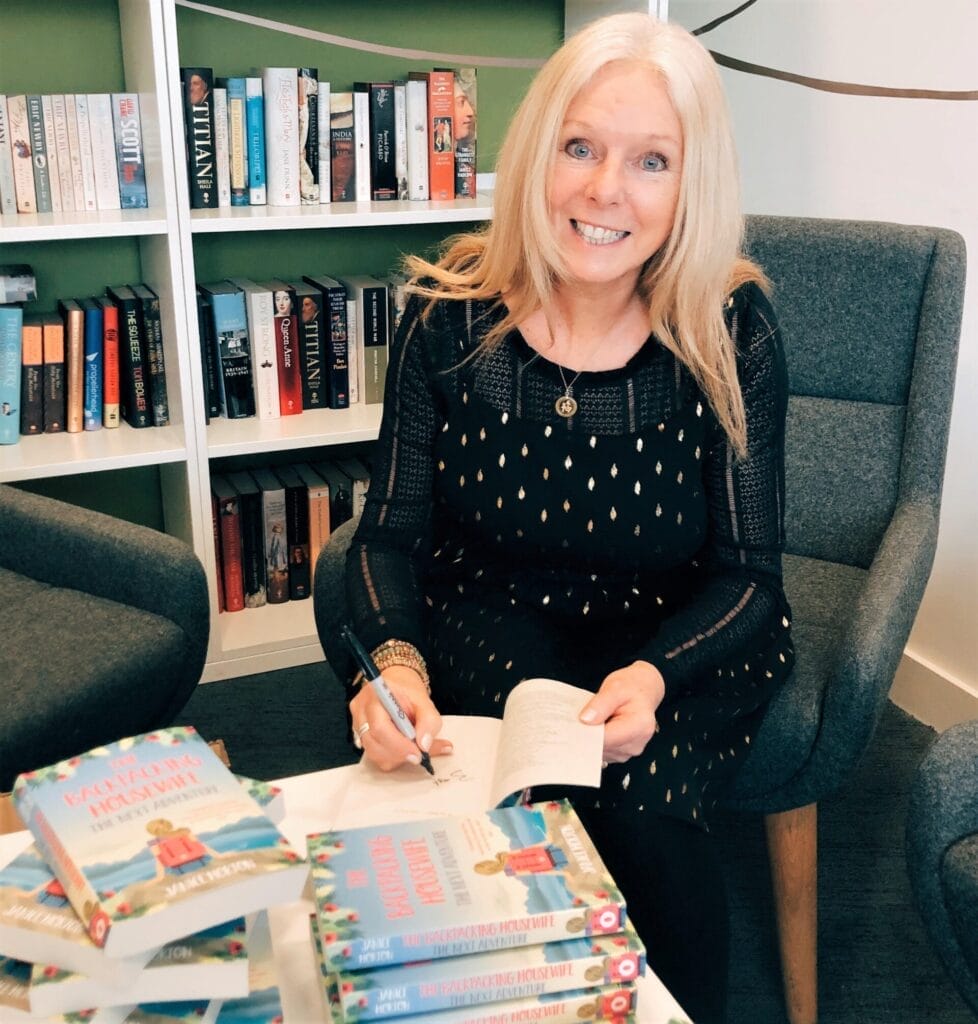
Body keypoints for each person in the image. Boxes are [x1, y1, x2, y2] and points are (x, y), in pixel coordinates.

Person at [338, 13, 793, 1023]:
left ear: (691, 184)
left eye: (650, 161)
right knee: (503, 790)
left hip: (679, 630)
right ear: (539, 150)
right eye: (580, 146)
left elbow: (752, 574)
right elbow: (388, 538)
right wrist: (396, 667)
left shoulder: (732, 327)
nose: (603, 191)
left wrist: (654, 672)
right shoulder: (447, 311)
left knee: (645, 808)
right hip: (495, 609)